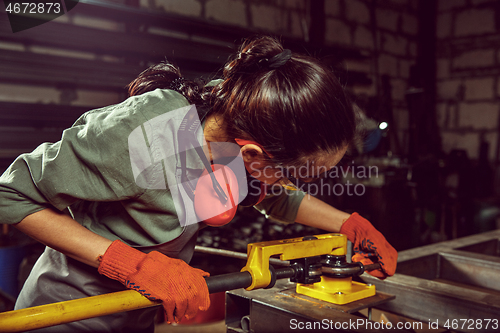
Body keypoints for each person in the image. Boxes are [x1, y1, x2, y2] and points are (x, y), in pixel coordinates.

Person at [0, 36, 397, 332]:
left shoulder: (231, 134)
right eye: (295, 174)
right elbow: (10, 193)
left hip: (133, 316)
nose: (291, 185)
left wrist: (348, 225)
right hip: (65, 315)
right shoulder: (147, 135)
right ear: (253, 155)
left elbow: (272, 196)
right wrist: (131, 263)